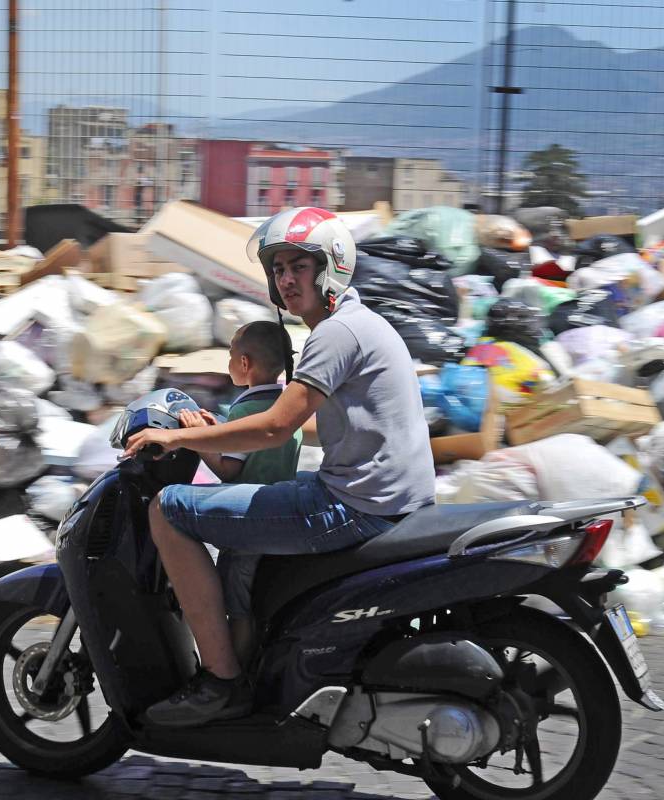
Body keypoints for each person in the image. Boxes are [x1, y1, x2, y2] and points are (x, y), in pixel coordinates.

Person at [123, 207, 436, 727]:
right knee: (271, 492)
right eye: (279, 269)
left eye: (300, 267)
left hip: (355, 507)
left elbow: (275, 427)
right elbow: (314, 423)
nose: (287, 280)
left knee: (169, 508)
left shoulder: (336, 334)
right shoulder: (360, 324)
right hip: (383, 496)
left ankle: (221, 681)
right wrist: (215, 430)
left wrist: (178, 434)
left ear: (331, 268)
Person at [177, 319, 302, 670]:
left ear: (244, 364)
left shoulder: (247, 410)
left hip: (249, 523)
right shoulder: (285, 405)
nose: (229, 362)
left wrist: (199, 439)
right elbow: (249, 445)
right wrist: (222, 432)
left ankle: (235, 676)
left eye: (231, 355)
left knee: (238, 605)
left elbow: (229, 469)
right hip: (280, 513)